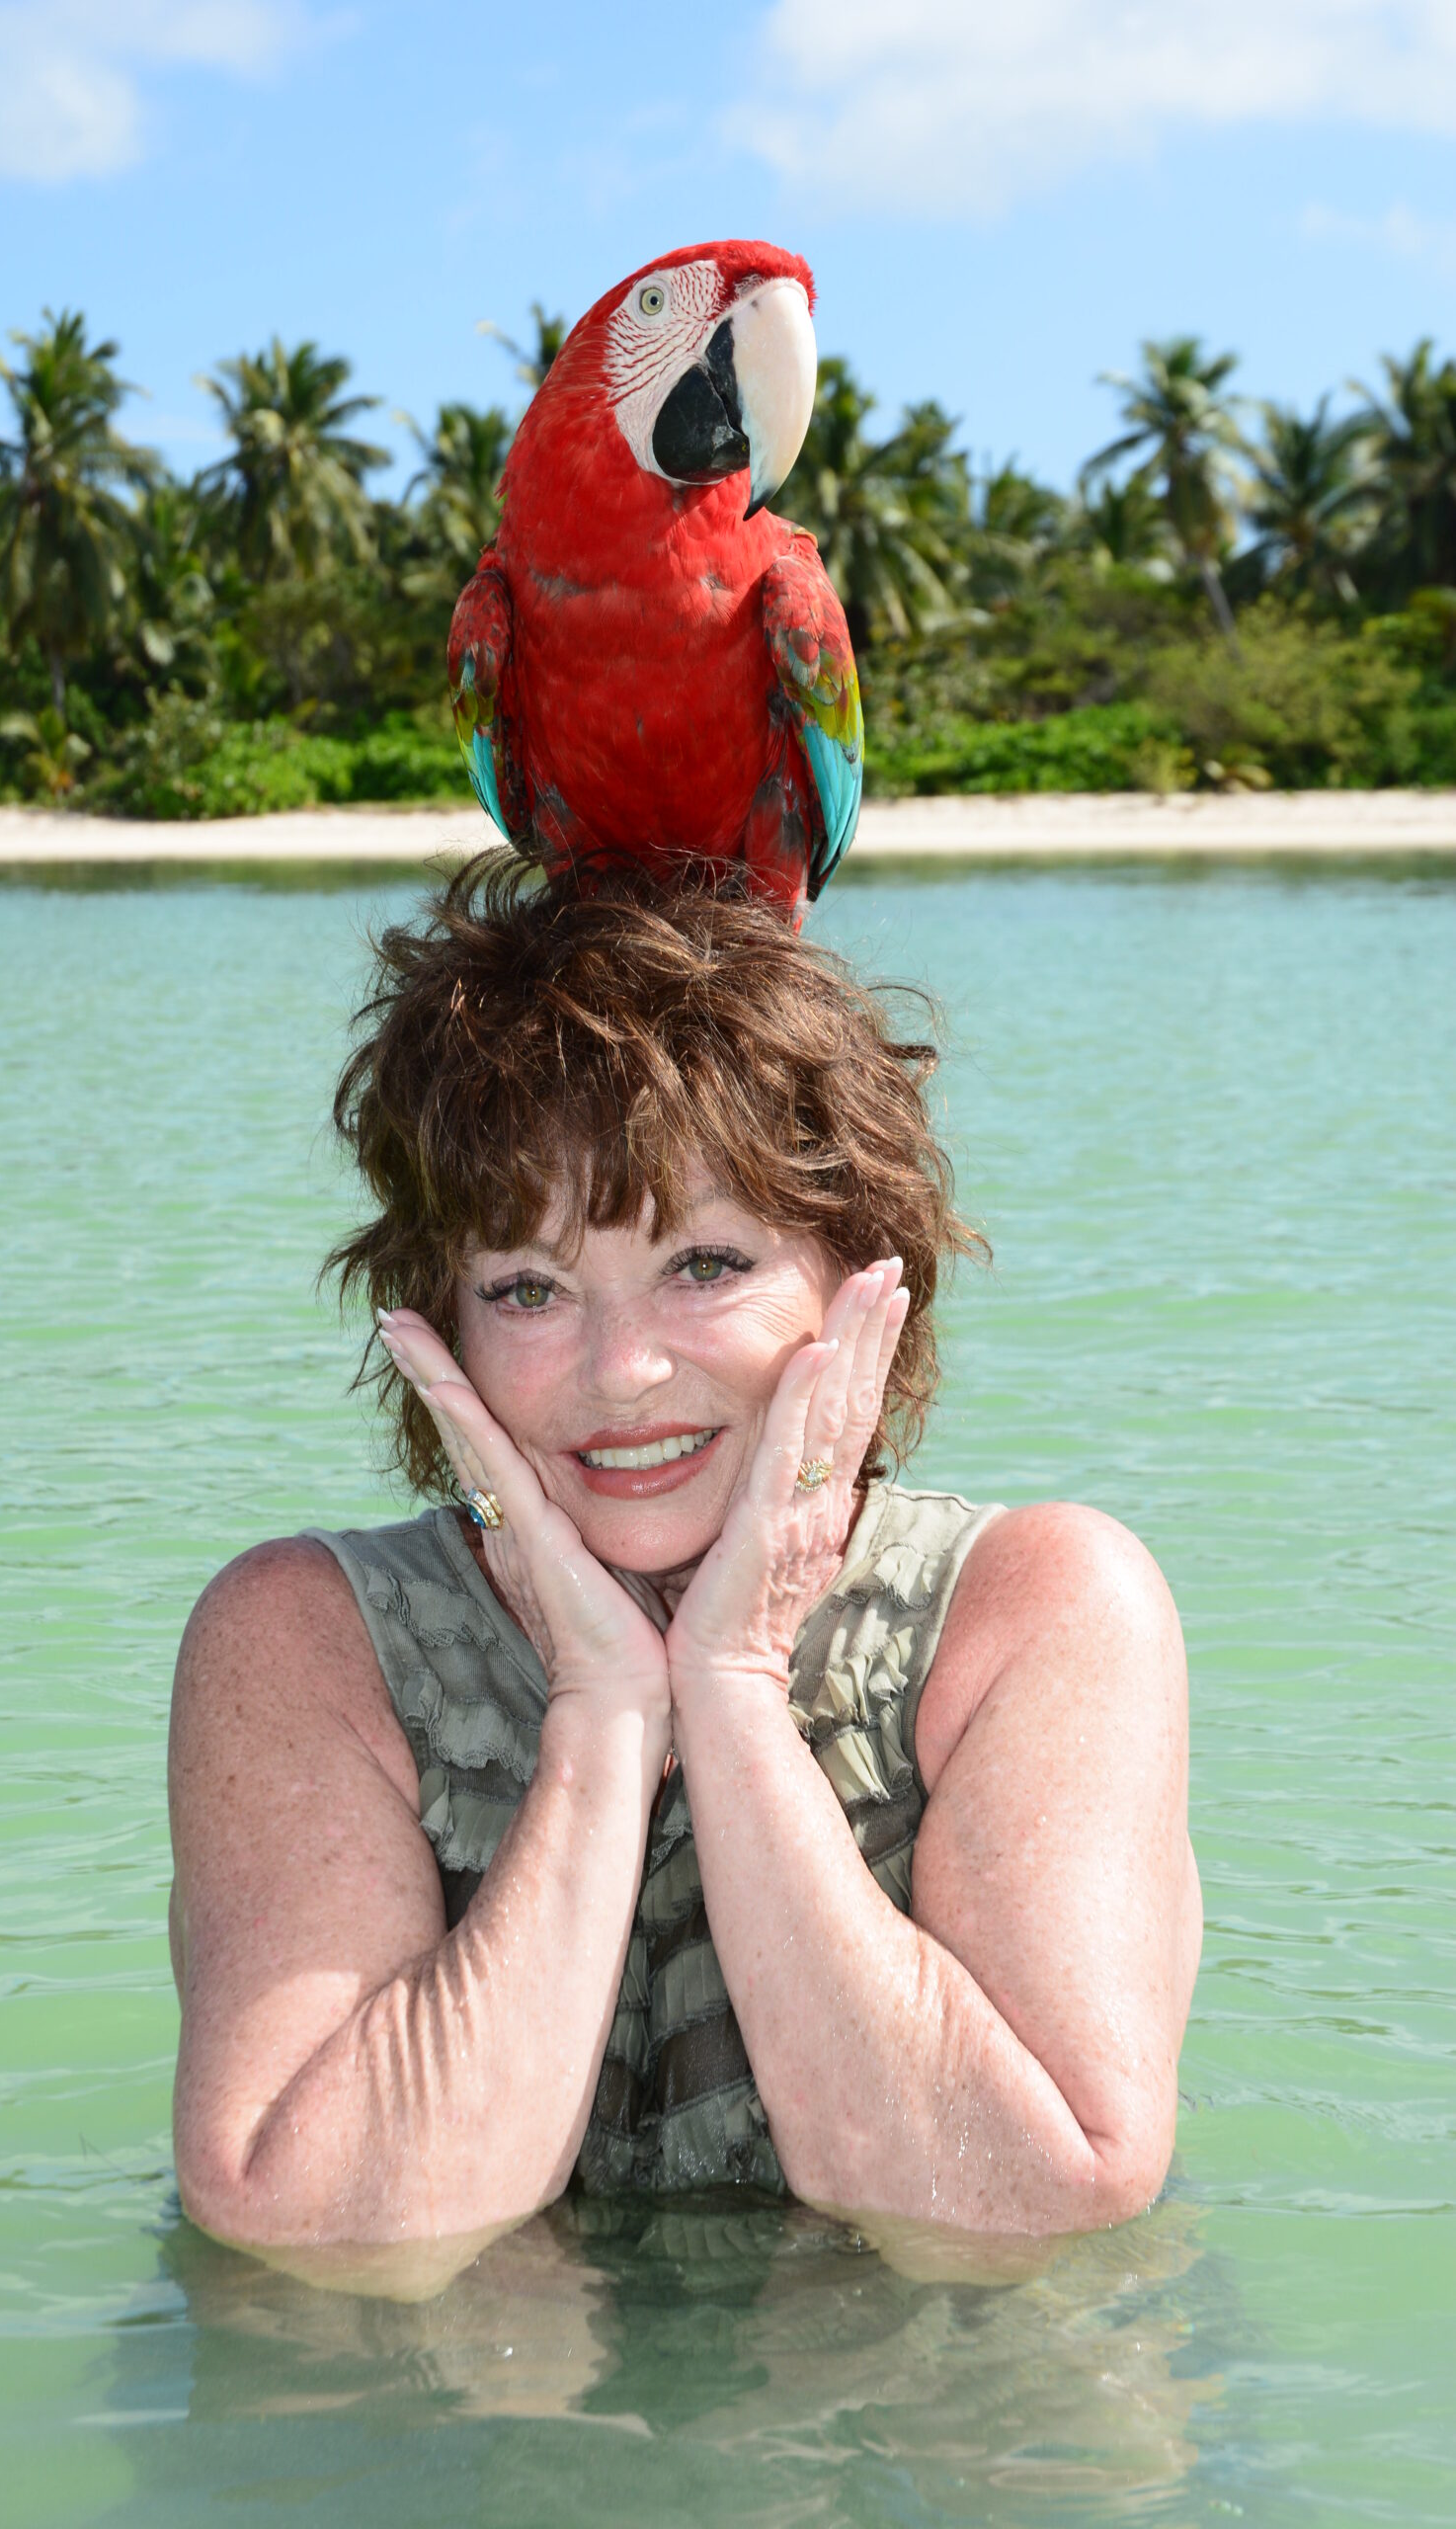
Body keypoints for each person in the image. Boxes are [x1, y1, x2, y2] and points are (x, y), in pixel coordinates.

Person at [168, 859, 1201, 2256]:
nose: (623, 1370)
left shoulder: (1043, 1614)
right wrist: (601, 1717)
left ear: (860, 1271)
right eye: (527, 1288)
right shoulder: (303, 1642)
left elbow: (1023, 2206)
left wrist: (732, 1679)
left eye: (705, 1265)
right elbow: (324, 2237)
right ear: (438, 1326)